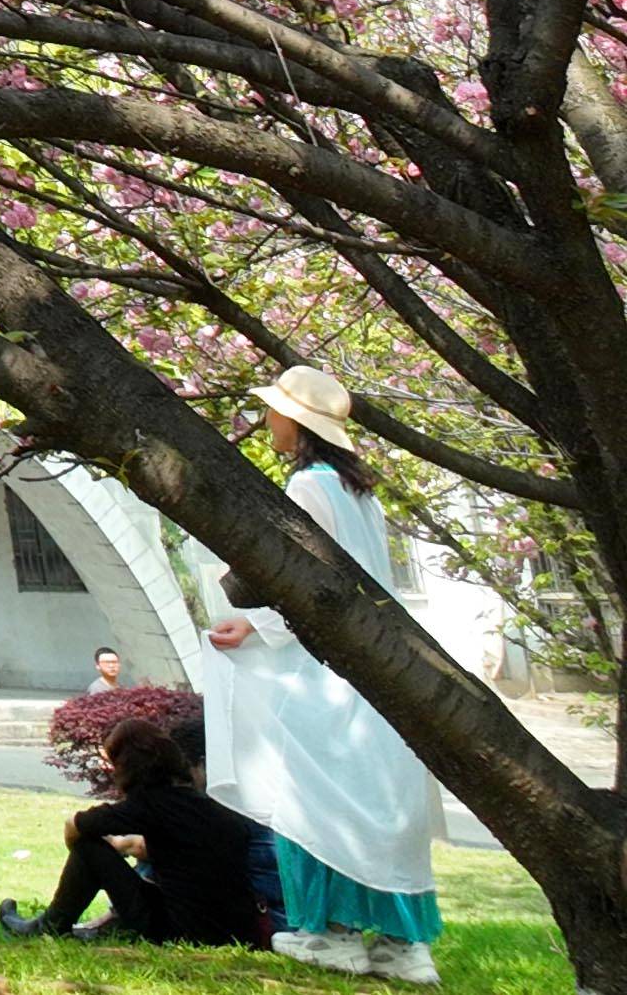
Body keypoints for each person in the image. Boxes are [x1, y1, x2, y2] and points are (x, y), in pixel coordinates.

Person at [205, 366, 449, 983]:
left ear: (296, 422)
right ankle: (402, 942)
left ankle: (328, 930)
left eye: (275, 412)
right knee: (376, 799)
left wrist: (260, 628)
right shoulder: (360, 492)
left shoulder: (309, 488)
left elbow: (314, 584)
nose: (268, 422)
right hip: (372, 669)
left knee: (313, 798)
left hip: (323, 671)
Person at [6, 711, 273, 948]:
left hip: (182, 932)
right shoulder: (215, 806)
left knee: (88, 848)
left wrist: (87, 854)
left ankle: (49, 926)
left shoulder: (151, 805)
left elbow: (74, 825)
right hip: (240, 930)